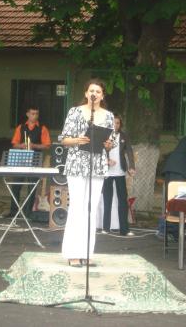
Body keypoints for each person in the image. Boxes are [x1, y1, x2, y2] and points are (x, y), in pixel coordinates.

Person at [58, 79, 114, 267]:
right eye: (91, 90)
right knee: (77, 207)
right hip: (76, 164)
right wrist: (77, 140)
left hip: (97, 165)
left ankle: (87, 253)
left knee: (91, 208)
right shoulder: (75, 112)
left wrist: (108, 144)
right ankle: (73, 253)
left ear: (102, 96)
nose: (94, 94)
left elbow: (111, 142)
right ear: (86, 93)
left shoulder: (108, 115)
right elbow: (64, 139)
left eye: (98, 91)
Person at [8, 105, 51, 218]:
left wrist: (34, 145)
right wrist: (22, 145)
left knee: (32, 187)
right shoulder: (20, 127)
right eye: (32, 113)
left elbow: (47, 145)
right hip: (21, 159)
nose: (35, 116)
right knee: (16, 186)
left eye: (36, 114)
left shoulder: (43, 128)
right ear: (27, 114)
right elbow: (14, 144)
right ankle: (13, 212)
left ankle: (28, 212)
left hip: (35, 160)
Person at [102, 114, 135, 236]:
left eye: (117, 123)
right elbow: (99, 151)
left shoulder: (124, 136)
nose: (115, 125)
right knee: (107, 199)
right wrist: (106, 161)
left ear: (120, 125)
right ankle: (105, 228)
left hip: (120, 171)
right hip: (107, 172)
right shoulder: (104, 135)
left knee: (122, 200)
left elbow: (129, 151)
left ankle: (124, 229)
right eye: (113, 122)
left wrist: (131, 167)